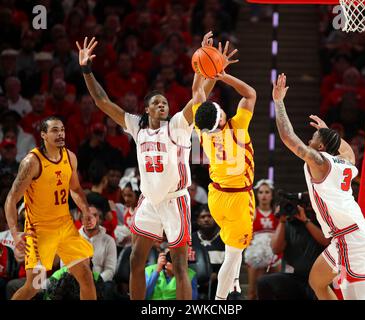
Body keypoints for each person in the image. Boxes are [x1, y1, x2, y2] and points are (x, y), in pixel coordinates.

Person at [76, 32, 222, 300]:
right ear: (146, 110)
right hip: (149, 202)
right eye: (157, 102)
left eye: (165, 102)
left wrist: (210, 67)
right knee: (135, 260)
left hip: (175, 202)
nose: (163, 105)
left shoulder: (178, 125)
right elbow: (102, 102)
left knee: (180, 266)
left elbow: (198, 99)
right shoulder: (136, 126)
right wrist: (86, 69)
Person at [272, 73, 365, 300]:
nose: (309, 140)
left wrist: (279, 102)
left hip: (349, 238)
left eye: (313, 137)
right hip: (346, 236)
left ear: (320, 146)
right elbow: (348, 152)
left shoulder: (320, 162)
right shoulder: (344, 163)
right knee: (317, 281)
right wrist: (330, 132)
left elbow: (289, 138)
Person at [4, 116, 96, 300]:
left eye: (62, 129)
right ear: (43, 135)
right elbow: (11, 199)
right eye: (55, 130)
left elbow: (76, 189)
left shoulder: (70, 157)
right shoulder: (32, 162)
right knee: (34, 287)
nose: (60, 134)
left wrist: (85, 210)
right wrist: (15, 232)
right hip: (40, 231)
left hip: (65, 227)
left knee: (86, 277)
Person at [193, 46, 256, 300]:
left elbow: (197, 92)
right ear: (221, 117)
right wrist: (221, 74)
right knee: (232, 255)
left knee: (235, 250)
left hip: (216, 197)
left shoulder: (202, 133)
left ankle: (235, 280)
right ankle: (219, 302)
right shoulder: (237, 126)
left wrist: (201, 69)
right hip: (238, 200)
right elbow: (250, 94)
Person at [256, 202, 330, 300]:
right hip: (295, 277)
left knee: (319, 290)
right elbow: (275, 249)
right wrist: (281, 222)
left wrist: (305, 220)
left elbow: (325, 241)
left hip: (318, 278)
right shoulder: (287, 224)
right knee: (264, 282)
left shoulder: (320, 221)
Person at [245, 179, 281, 300]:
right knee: (252, 292)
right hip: (256, 253)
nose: (264, 195)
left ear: (272, 195)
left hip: (274, 253)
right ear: (257, 195)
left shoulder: (277, 213)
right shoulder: (252, 213)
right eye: (260, 192)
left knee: (277, 290)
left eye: (267, 192)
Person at [191, 204, 225, 300]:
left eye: (209, 216)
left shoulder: (225, 239)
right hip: (195, 285)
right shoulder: (190, 239)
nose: (206, 219)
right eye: (202, 217)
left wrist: (217, 274)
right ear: (197, 220)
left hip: (221, 285)